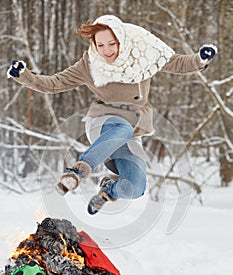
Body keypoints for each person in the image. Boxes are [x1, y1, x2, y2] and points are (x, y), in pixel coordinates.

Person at [7, 15, 217, 214]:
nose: (106, 51)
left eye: (112, 44)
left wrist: (199, 59)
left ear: (122, 41)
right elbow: (55, 83)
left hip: (133, 130)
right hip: (103, 122)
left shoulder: (143, 54)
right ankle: (78, 170)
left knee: (135, 188)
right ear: (94, 45)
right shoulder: (89, 64)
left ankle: (109, 189)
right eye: (100, 45)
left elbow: (176, 63)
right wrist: (24, 76)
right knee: (121, 128)